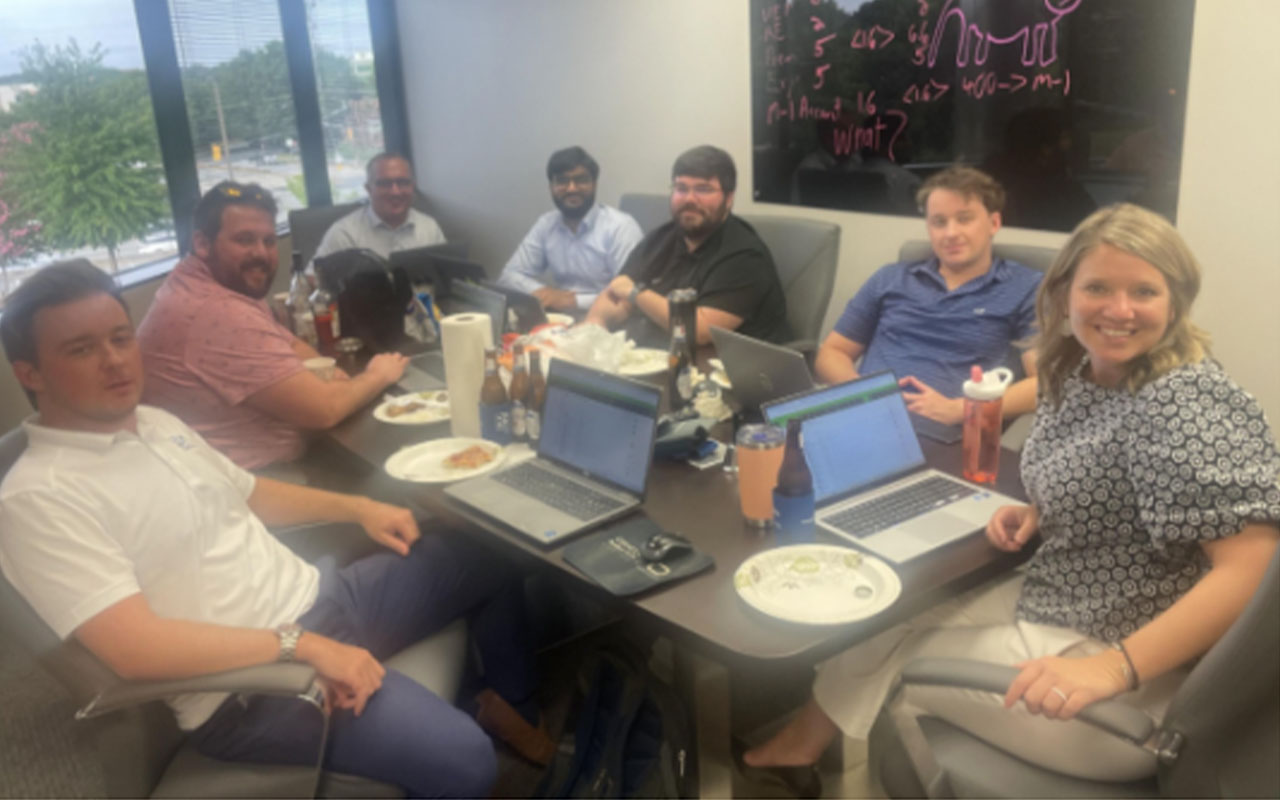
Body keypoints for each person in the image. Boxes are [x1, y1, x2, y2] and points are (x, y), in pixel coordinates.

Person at [744, 204, 1280, 784]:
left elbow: (1253, 567)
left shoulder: (1184, 399)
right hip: (1067, 599)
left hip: (1136, 673)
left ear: (1175, 301)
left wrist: (1113, 667)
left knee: (888, 673)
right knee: (885, 620)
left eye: (1144, 292)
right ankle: (799, 746)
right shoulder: (1082, 371)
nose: (1119, 310)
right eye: (1098, 286)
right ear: (1063, 293)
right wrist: (1040, 513)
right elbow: (1122, 485)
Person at [0, 261, 550, 796]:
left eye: (121, 337)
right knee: (468, 764)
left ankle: (512, 710)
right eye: (81, 349)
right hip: (253, 691)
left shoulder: (155, 424)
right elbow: (136, 650)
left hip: (322, 598)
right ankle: (470, 732)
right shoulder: (37, 497)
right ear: (29, 372)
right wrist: (304, 647)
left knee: (492, 552)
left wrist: (359, 508)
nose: (115, 361)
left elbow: (250, 492)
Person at [136, 182, 408, 471]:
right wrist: (378, 375)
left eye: (268, 241)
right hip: (252, 485)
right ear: (202, 243)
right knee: (401, 470)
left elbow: (287, 340)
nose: (261, 253)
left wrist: (326, 370)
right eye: (244, 240)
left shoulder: (197, 283)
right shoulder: (218, 311)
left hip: (221, 470)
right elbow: (324, 411)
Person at [815, 166, 1042, 424]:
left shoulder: (1026, 288)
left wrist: (962, 409)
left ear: (994, 223)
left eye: (964, 219)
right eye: (939, 222)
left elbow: (1044, 384)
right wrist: (863, 393)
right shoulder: (890, 278)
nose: (950, 233)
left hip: (946, 434)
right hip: (864, 418)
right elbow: (832, 353)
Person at [584, 145, 790, 346]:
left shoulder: (745, 256)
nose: (689, 199)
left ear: (729, 198)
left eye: (703, 189)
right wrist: (594, 325)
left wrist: (636, 294)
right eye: (681, 188)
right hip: (655, 356)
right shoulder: (662, 237)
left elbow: (697, 330)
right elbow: (616, 292)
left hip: (725, 372)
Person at [496, 146, 644, 311]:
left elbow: (631, 294)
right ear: (551, 187)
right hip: (558, 319)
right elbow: (508, 276)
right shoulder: (546, 224)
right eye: (562, 181)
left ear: (594, 184)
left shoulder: (620, 227)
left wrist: (574, 301)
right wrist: (542, 292)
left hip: (610, 318)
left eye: (581, 180)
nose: (572, 188)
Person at [311, 152, 446, 263]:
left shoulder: (429, 227)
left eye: (403, 182)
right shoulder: (345, 233)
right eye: (385, 184)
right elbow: (313, 278)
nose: (395, 192)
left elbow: (446, 275)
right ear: (369, 189)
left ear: (412, 186)